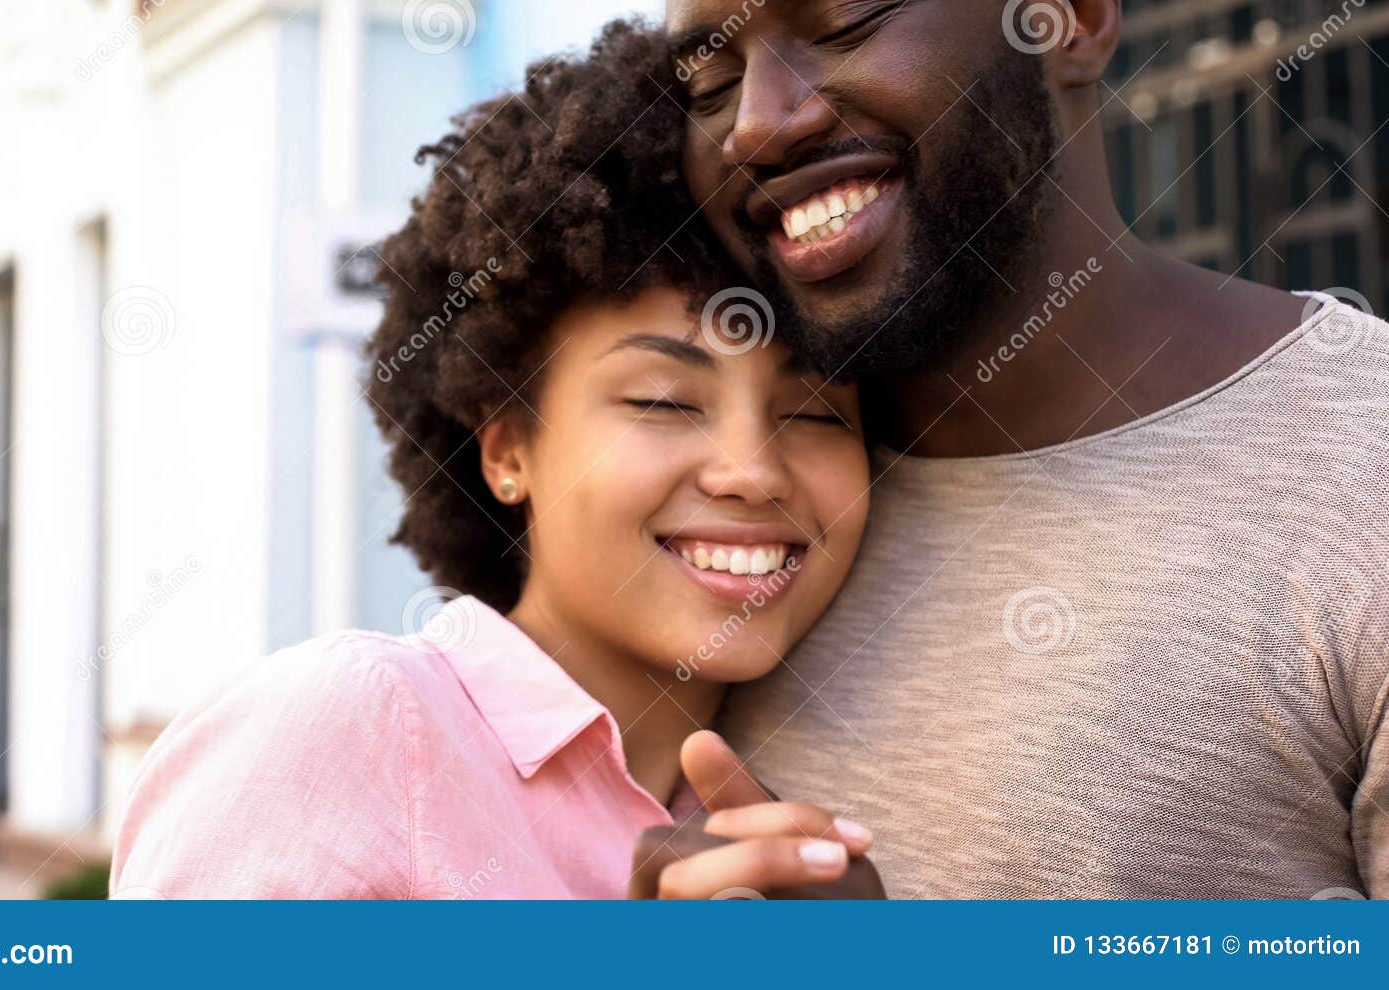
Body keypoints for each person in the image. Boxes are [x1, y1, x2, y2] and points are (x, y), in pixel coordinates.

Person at [109, 22, 875, 899]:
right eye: (662, 401)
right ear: (509, 448)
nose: (753, 471)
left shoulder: (798, 804)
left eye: (817, 411)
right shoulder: (345, 728)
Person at [661, 0, 1389, 897]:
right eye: (711, 78)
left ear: (1071, 22)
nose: (758, 123)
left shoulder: (1365, 461)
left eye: (847, 21)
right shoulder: (722, 522)